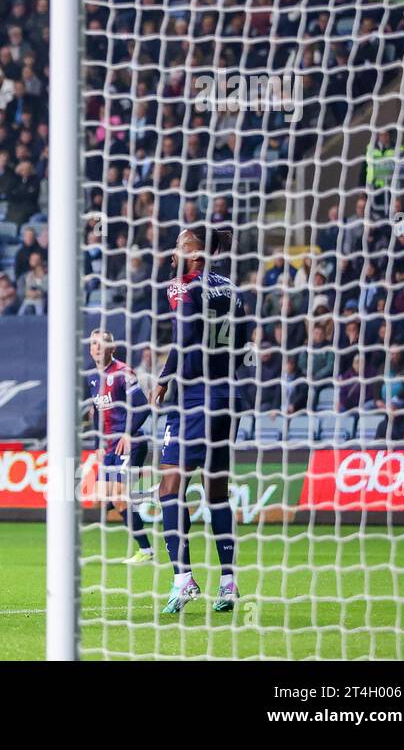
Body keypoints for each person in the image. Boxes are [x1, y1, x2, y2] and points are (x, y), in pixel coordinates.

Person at [152, 226, 250, 615]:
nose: (173, 253)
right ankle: (227, 583)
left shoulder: (182, 287)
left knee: (168, 488)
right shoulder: (231, 287)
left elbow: (184, 337)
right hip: (229, 395)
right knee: (216, 493)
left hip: (195, 397)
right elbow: (243, 344)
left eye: (180, 246)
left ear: (195, 255)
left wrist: (165, 378)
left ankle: (183, 578)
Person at [86, 329, 153, 564]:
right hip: (109, 446)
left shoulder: (124, 373)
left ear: (111, 349)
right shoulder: (92, 378)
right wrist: (97, 444)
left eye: (101, 344)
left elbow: (143, 407)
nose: (96, 347)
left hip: (130, 443)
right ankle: (145, 497)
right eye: (93, 344)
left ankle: (145, 550)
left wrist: (127, 433)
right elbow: (96, 413)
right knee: (100, 498)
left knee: (119, 497)